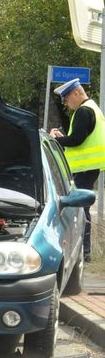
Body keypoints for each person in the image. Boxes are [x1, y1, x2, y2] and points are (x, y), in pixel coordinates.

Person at [50, 78, 105, 262]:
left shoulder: (84, 111)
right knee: (82, 209)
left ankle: (84, 253)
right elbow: (78, 139)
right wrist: (65, 137)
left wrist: (56, 140)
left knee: (81, 210)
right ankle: (84, 252)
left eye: (66, 98)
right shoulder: (92, 108)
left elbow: (77, 140)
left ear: (76, 93)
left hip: (84, 169)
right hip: (88, 169)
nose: (65, 103)